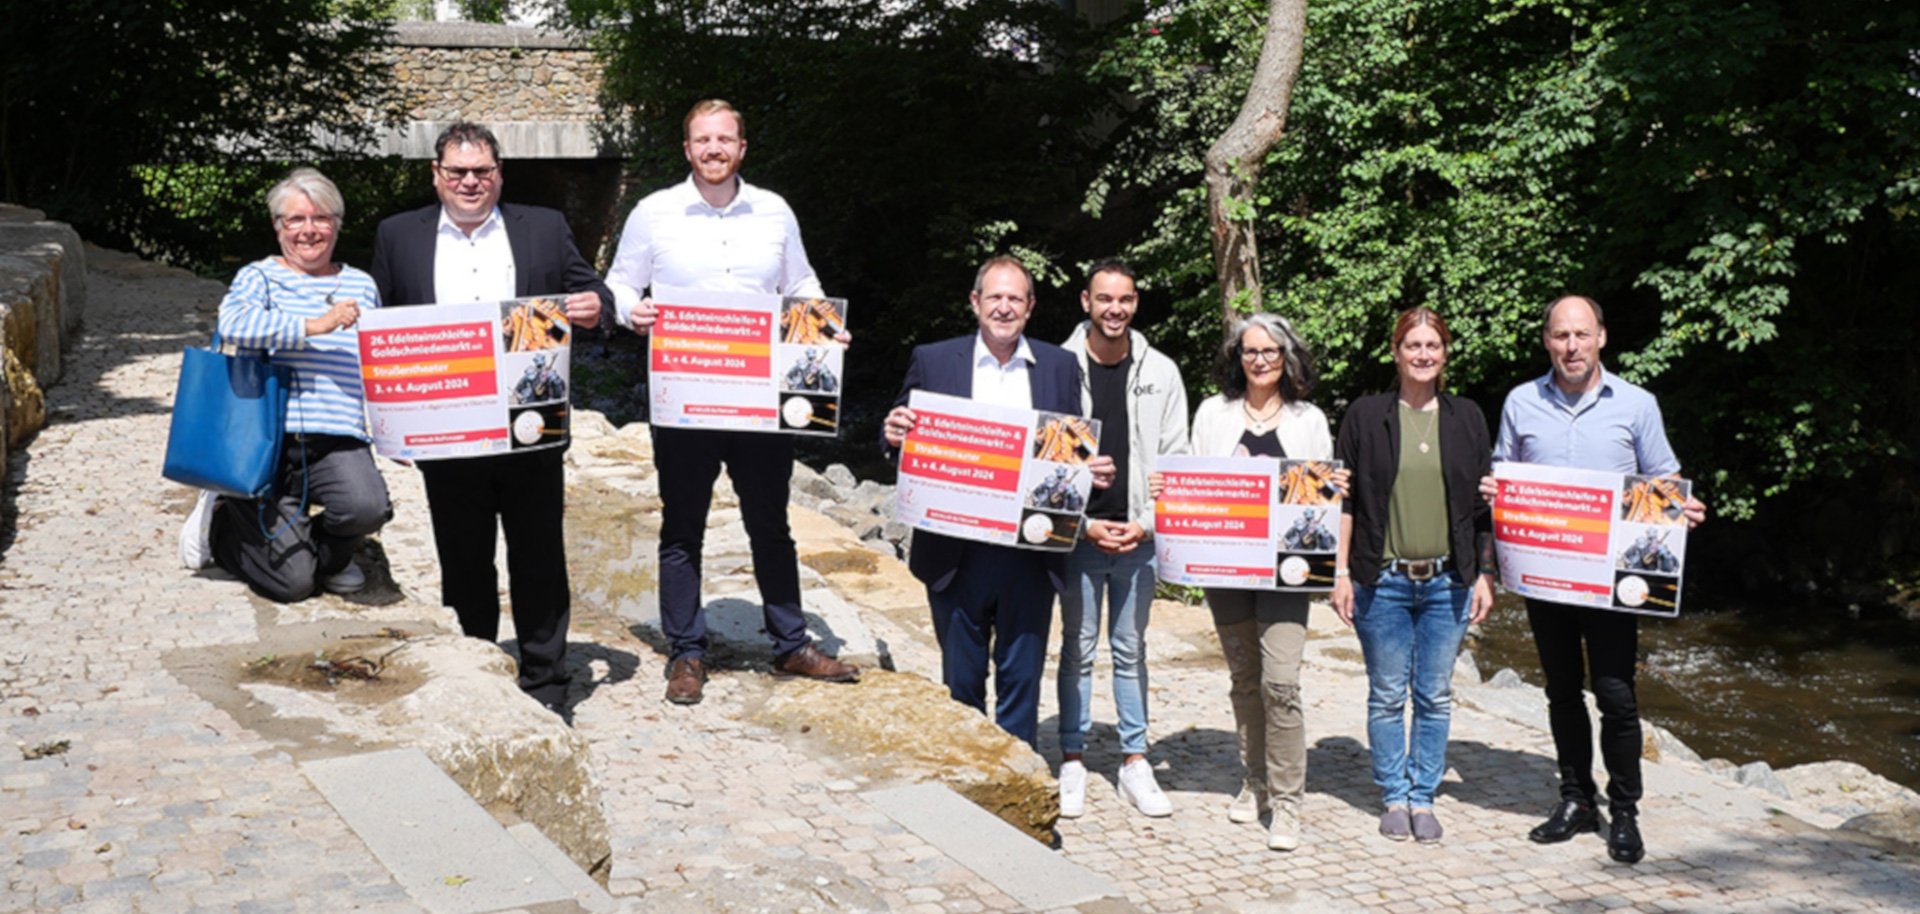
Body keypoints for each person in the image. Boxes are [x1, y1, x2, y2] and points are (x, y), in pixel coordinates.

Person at [607, 99, 860, 705]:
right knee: (682, 527)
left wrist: (825, 328)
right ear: (687, 149)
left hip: (761, 400)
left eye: (725, 139)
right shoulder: (653, 212)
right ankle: (687, 653)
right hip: (686, 398)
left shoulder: (774, 212)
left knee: (771, 524)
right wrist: (628, 310)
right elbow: (618, 281)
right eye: (702, 140)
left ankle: (791, 644)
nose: (714, 149)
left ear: (742, 148)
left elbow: (800, 285)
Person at [368, 122, 610, 716]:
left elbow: (594, 298)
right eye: (458, 172)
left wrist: (592, 306)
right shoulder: (398, 236)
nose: (470, 182)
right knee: (462, 555)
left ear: (500, 174)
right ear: (437, 175)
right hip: (446, 429)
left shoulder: (545, 227)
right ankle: (477, 670)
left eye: (482, 172)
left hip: (530, 426)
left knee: (539, 554)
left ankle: (548, 683)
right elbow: (380, 332)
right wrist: (393, 420)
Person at [1481, 294, 1706, 864]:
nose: (1571, 346)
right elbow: (1504, 471)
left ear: (1601, 336)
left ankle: (1624, 809)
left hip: (1610, 582)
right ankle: (1576, 799)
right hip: (1547, 576)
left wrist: (1683, 507)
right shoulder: (1520, 402)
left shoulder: (1636, 404)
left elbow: (1664, 478)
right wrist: (1494, 491)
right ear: (1547, 341)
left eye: (1581, 334)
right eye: (1560, 336)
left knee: (1615, 695)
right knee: (1560, 692)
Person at [882, 256, 1115, 748]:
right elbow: (898, 441)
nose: (1004, 308)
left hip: (1030, 551)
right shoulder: (934, 360)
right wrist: (893, 435)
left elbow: (1069, 453)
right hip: (954, 549)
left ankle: (1020, 781)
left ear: (1030, 308)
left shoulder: (1059, 365)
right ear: (975, 303)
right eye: (995, 297)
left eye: (1015, 299)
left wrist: (1089, 475)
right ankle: (968, 780)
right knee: (961, 681)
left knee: (1021, 682)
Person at [179, 167, 393, 603]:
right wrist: (316, 325)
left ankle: (326, 556)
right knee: (292, 586)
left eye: (321, 218)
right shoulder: (259, 277)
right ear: (278, 227)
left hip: (336, 434)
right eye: (295, 219)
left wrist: (401, 430)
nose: (308, 230)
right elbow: (235, 324)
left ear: (337, 224)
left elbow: (379, 360)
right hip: (264, 435)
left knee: (367, 506)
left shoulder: (362, 285)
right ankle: (222, 524)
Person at [1330, 307, 1494, 844]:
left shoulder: (1467, 417)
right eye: (1413, 345)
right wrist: (1340, 573)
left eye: (1433, 346)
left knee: (1434, 695)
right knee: (1385, 694)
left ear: (1445, 353)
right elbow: (1346, 501)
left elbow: (1483, 506)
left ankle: (1424, 796)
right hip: (1384, 580)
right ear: (1396, 352)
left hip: (1449, 580)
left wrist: (1484, 575)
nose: (1423, 355)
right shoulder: (1365, 415)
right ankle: (1393, 794)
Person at [1184, 312, 1339, 851]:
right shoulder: (1213, 414)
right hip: (1227, 570)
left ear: (1288, 356)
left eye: (1271, 351)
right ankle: (1255, 784)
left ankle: (1288, 801)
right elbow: (1193, 485)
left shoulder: (1309, 419)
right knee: (1245, 680)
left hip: (1287, 574)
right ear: (1237, 358)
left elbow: (1320, 499)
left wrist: (1331, 486)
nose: (1260, 360)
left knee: (1282, 684)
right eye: (1250, 351)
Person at [1054, 260, 1190, 819]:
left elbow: (1176, 458)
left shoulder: (1162, 370)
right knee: (1077, 651)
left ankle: (1136, 760)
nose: (1116, 309)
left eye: (1126, 299)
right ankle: (1072, 758)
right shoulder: (1057, 368)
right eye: (1105, 299)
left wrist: (1149, 523)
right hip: (1078, 537)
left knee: (1131, 651)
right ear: (1085, 300)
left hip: (1138, 536)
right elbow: (1044, 460)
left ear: (1136, 303)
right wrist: (1081, 522)